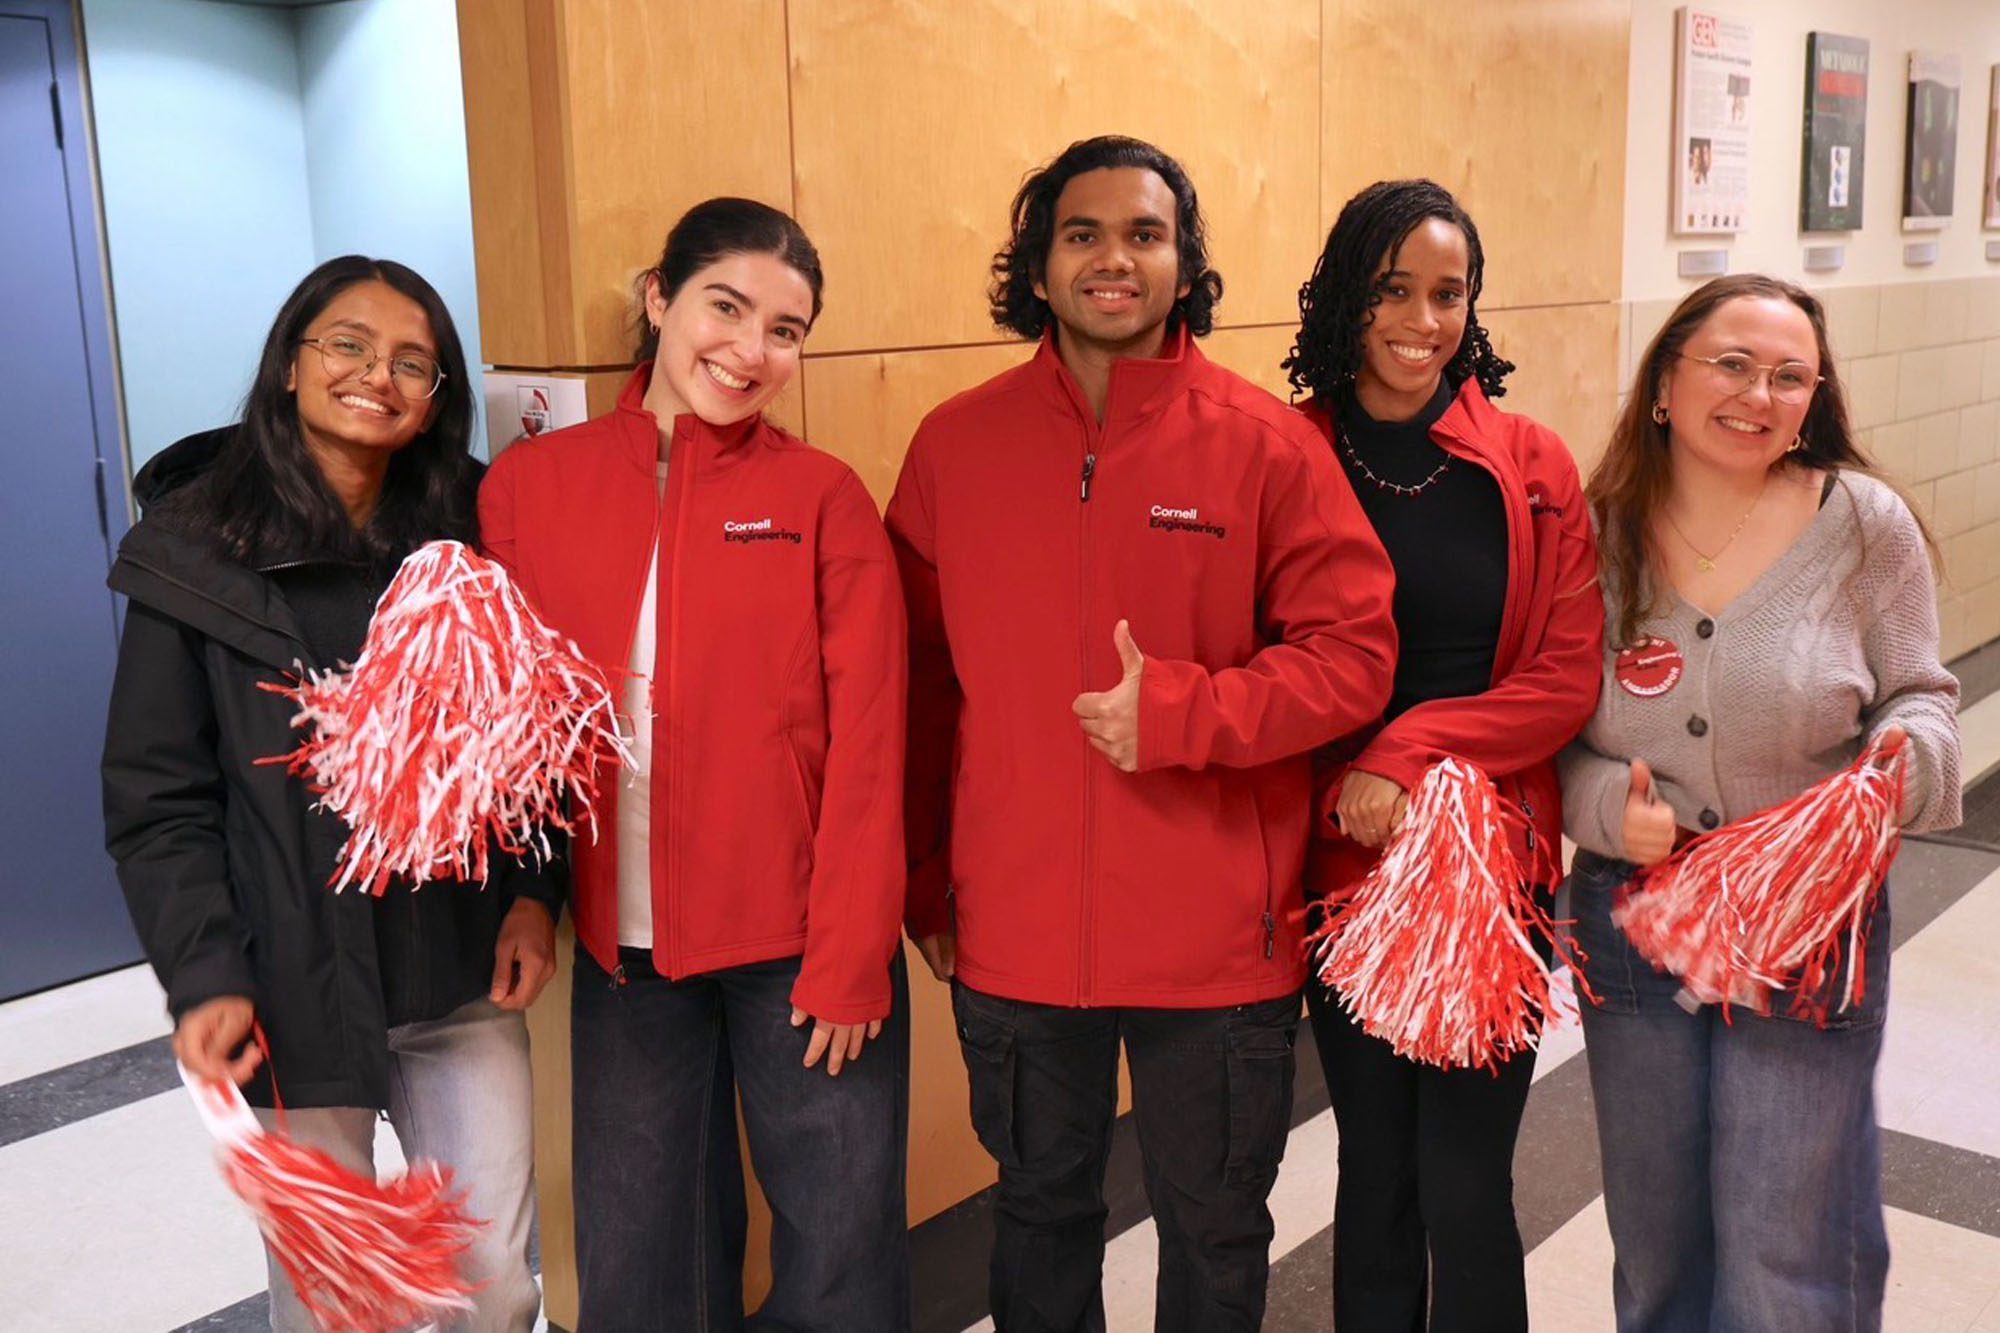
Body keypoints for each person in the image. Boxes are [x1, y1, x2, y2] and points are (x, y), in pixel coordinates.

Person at [888, 134, 1398, 1332]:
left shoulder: (1268, 445)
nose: (1113, 259)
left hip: (1213, 940)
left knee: (1213, 1233)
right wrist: (923, 883)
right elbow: (912, 691)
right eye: (1082, 234)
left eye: (1143, 234)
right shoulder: (954, 446)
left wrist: (1180, 712)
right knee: (1038, 1213)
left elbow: (1352, 656)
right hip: (1010, 931)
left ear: (1184, 261)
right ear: (1039, 260)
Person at [479, 197, 910, 1332]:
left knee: (839, 1259)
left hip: (799, 944)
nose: (751, 349)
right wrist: (530, 896)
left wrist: (854, 948)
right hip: (626, 954)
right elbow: (521, 729)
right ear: (659, 298)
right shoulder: (529, 489)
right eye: (726, 305)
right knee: (638, 1268)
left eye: (786, 328)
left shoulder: (822, 499)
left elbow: (872, 738)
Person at [102, 256, 555, 1332]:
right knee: (335, 1300)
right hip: (289, 986)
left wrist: (536, 891)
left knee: (491, 1275)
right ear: (291, 362)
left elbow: (531, 732)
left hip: (458, 970)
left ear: (437, 395)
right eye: (348, 345)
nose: (377, 376)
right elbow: (158, 794)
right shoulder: (191, 555)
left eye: (413, 361)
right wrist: (204, 973)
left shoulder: (475, 537)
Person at [1560, 273, 1962, 1330]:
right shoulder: (1591, 535)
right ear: (1664, 383)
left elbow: (1922, 690)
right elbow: (1542, 726)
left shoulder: (1862, 525)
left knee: (1785, 1243)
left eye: (1789, 376)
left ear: (1814, 395)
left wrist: (1896, 760)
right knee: (1655, 1246)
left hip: (1805, 926)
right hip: (1630, 920)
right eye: (1731, 364)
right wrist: (1604, 805)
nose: (1758, 394)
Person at [1283, 178, 1605, 1331]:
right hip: (1345, 869)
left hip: (1491, 870)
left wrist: (1408, 748)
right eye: (1393, 290)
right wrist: (1346, 789)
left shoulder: (1527, 463)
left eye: (1448, 294)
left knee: (1467, 1185)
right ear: (1343, 295)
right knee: (1373, 1178)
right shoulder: (1289, 449)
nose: (1422, 321)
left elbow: (1562, 681)